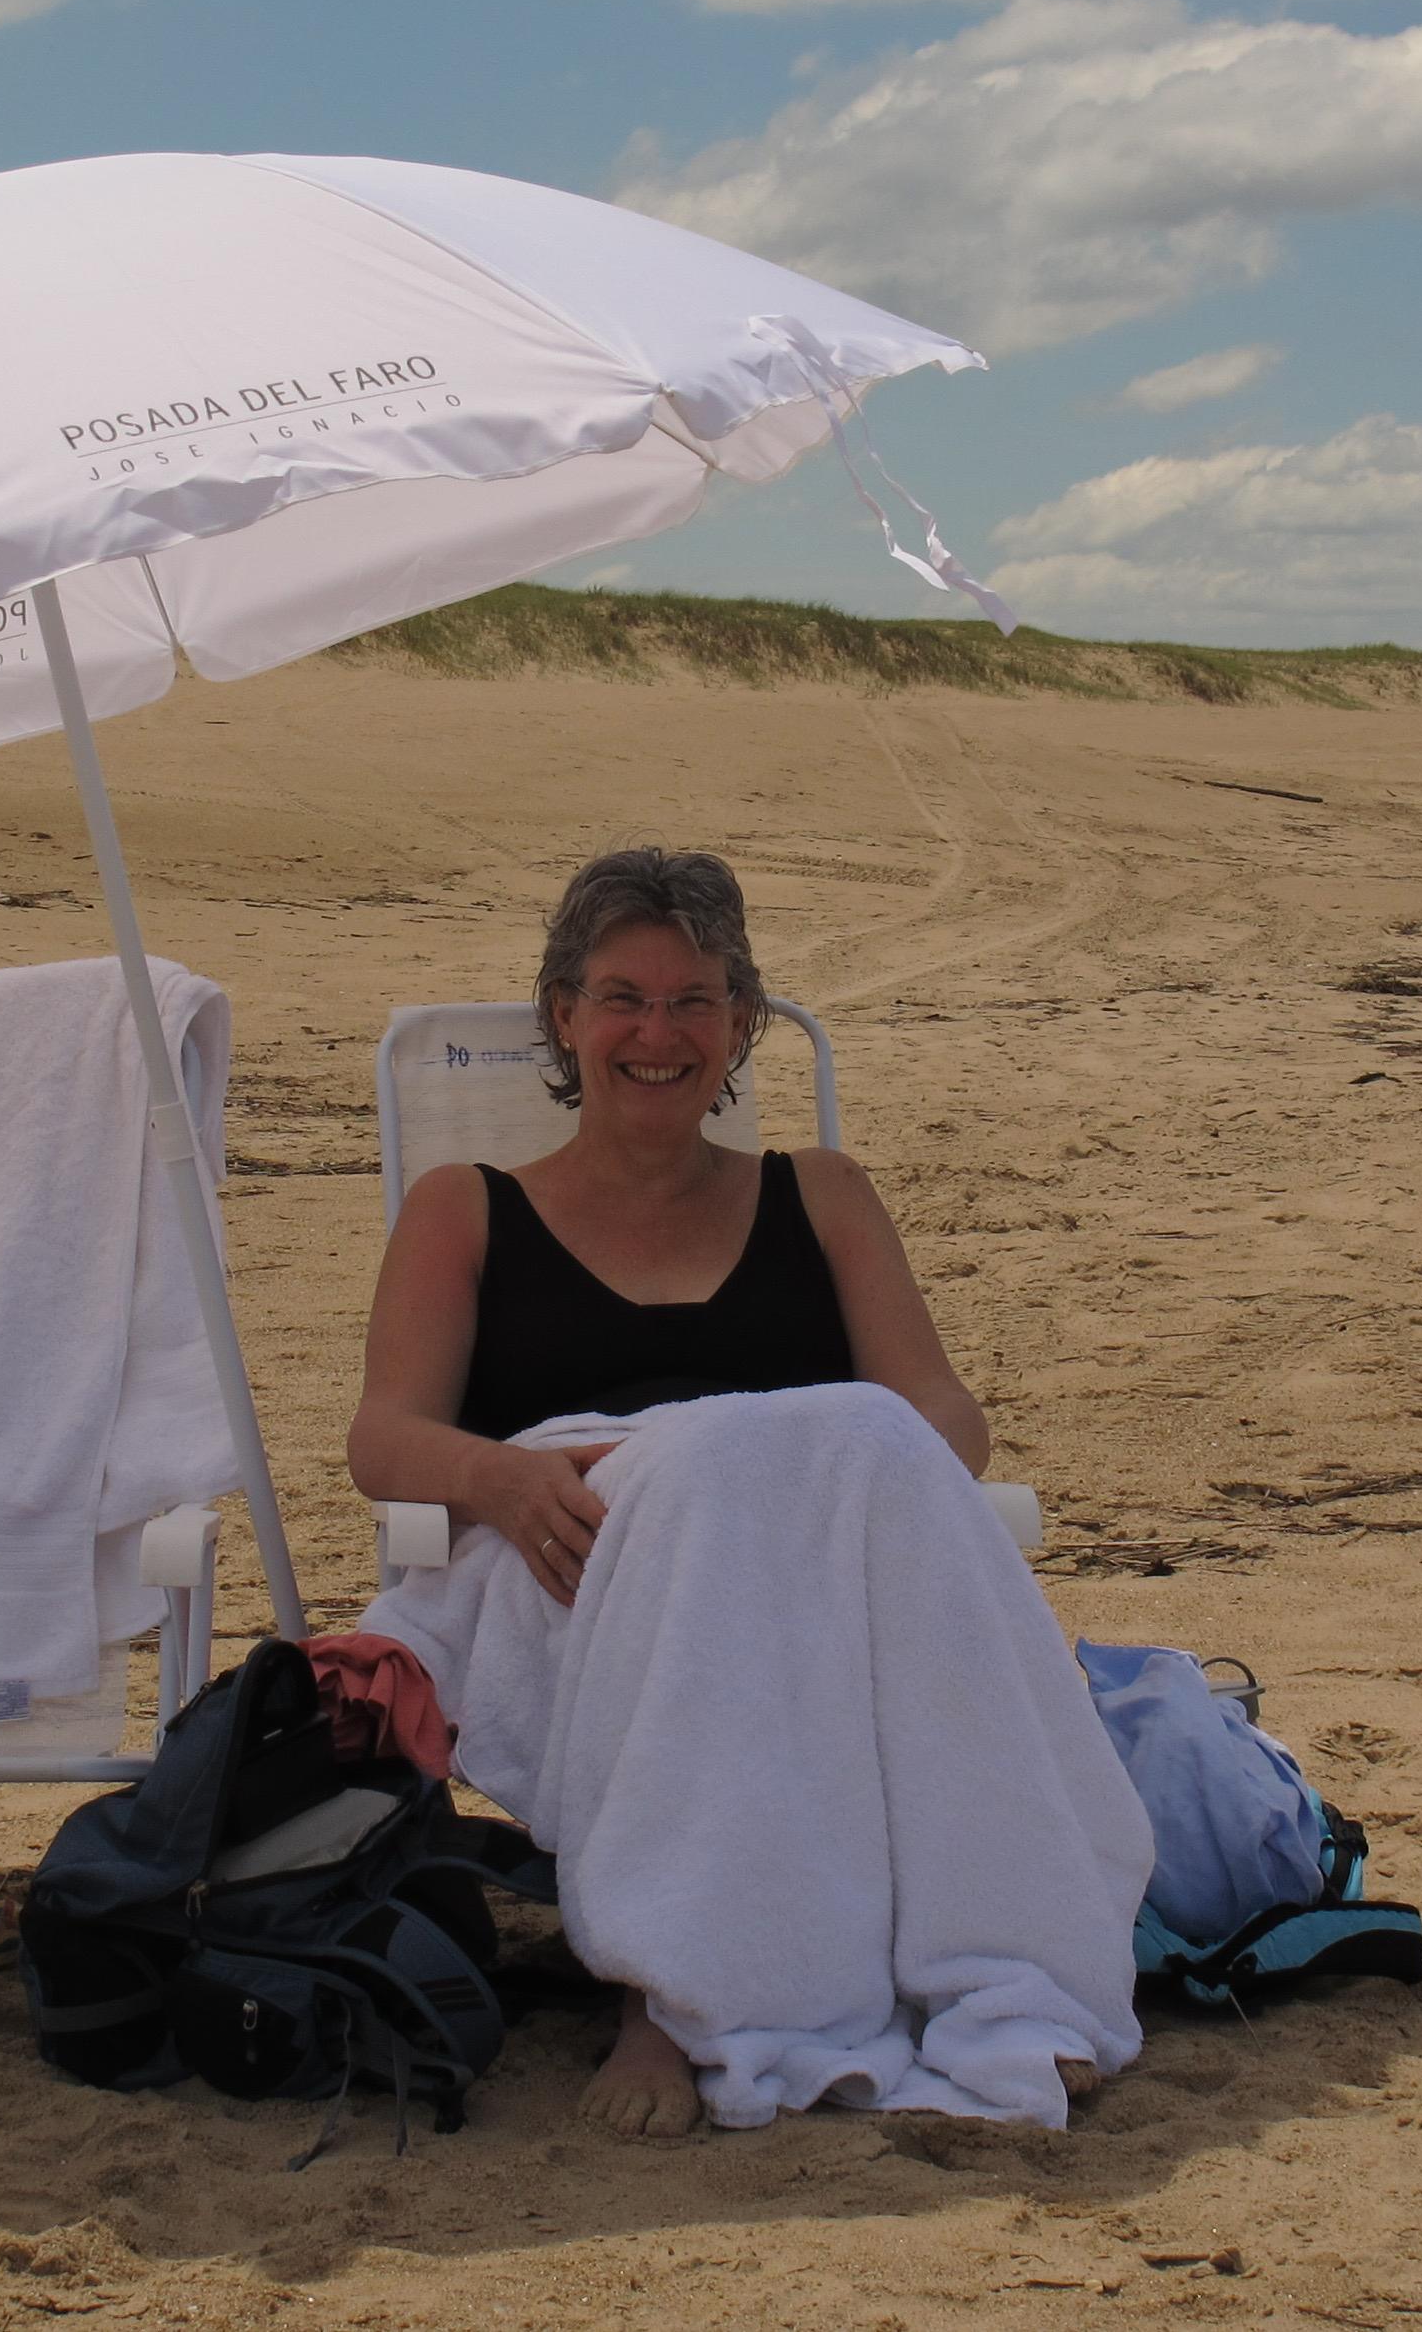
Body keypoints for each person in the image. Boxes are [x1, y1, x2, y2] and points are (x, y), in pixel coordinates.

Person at [348, 847, 1142, 2138]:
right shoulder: (466, 1210)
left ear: (740, 1024)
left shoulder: (821, 1194)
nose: (656, 1034)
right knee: (717, 1489)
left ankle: (981, 1973)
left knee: (790, 1466)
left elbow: (941, 1414)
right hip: (576, 1569)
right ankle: (665, 1997)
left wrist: (817, 1475)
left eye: (693, 1002)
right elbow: (384, 1437)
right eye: (622, 998)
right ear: (563, 1014)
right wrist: (497, 1474)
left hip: (807, 1565)